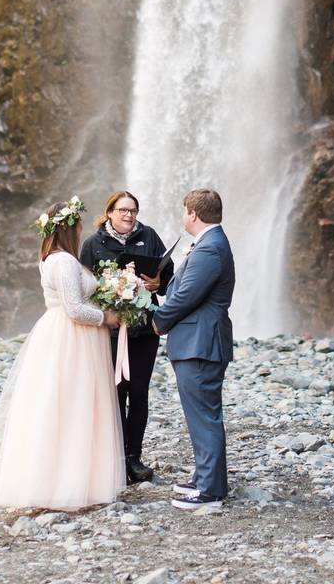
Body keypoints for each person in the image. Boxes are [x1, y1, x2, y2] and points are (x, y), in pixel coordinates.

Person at [0, 196, 126, 510]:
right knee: (74, 405)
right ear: (70, 229)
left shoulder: (51, 258)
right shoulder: (65, 262)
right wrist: (106, 317)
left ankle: (67, 478)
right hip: (72, 338)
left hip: (63, 335)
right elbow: (74, 309)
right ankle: (68, 483)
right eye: (80, 225)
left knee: (62, 404)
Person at [80, 191, 175, 484]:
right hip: (110, 331)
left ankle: (134, 457)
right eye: (122, 210)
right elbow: (83, 286)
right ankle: (115, 458)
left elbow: (167, 278)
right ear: (109, 212)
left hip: (144, 329)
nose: (129, 215)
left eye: (133, 210)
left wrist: (159, 282)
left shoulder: (149, 236)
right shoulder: (94, 244)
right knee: (115, 393)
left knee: (140, 393)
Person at [152, 189, 235, 511]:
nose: (183, 217)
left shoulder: (210, 248)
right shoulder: (210, 245)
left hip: (200, 343)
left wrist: (159, 320)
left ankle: (211, 492)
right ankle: (205, 478)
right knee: (201, 414)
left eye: (184, 211)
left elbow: (187, 294)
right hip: (198, 341)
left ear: (193, 214)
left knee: (204, 416)